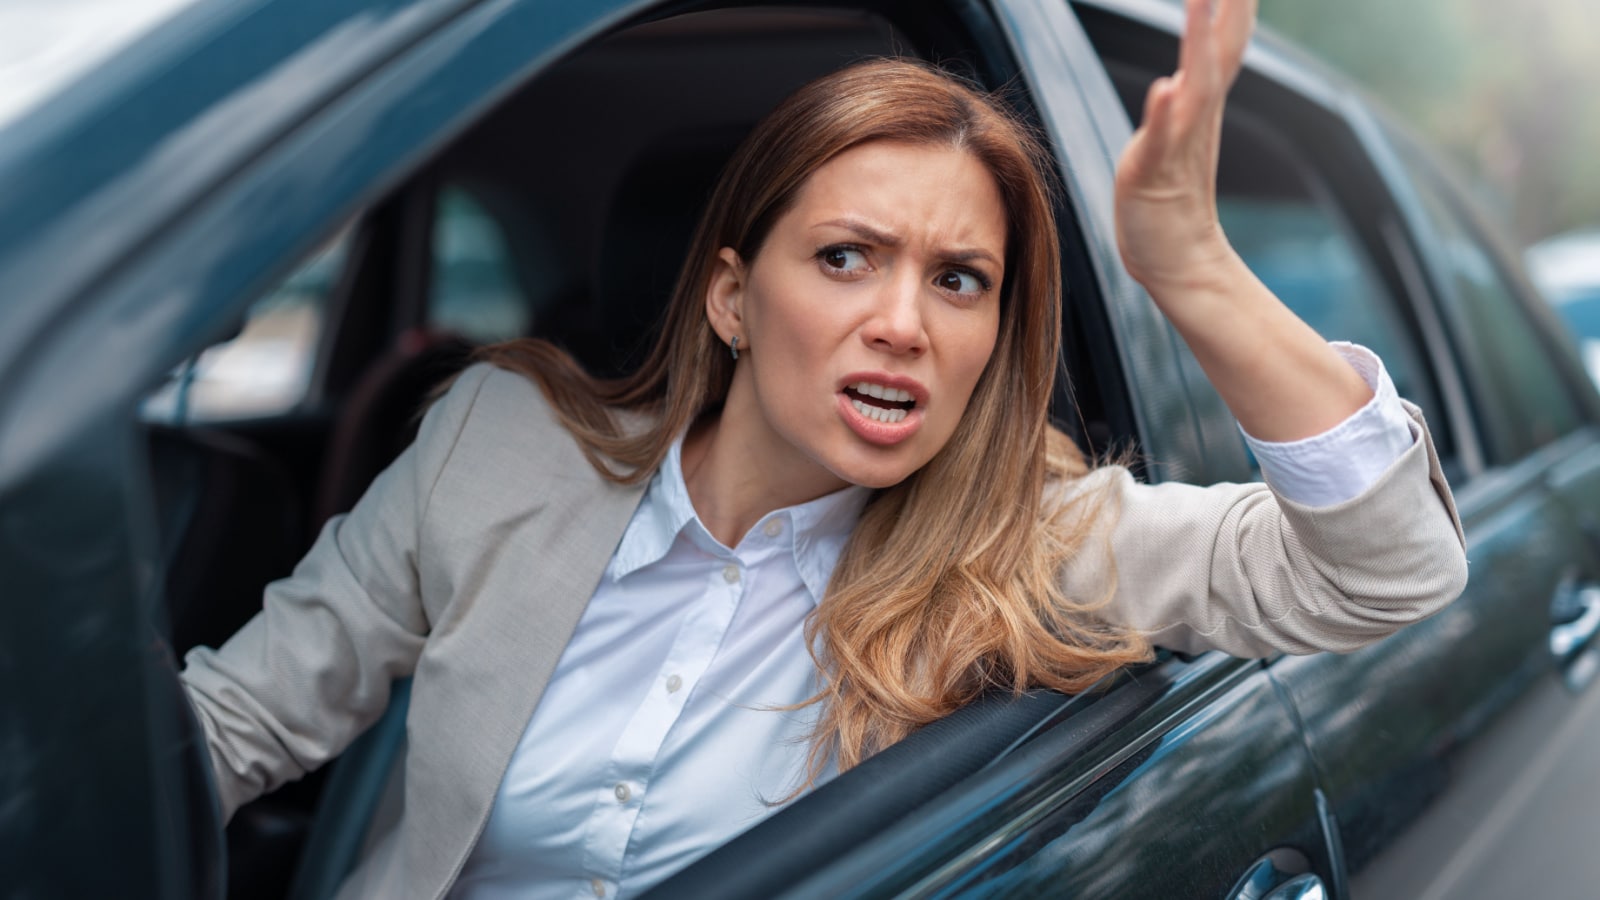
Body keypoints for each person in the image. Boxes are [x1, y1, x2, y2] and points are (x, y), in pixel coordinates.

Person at [179, 0, 1467, 896]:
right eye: (845, 258)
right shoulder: (499, 446)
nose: (902, 323)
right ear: (734, 299)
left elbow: (1387, 571)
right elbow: (238, 724)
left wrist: (1191, 267)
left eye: (960, 281)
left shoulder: (1028, 541)